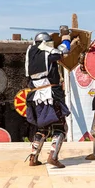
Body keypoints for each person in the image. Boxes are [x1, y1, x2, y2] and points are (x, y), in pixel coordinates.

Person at [25, 31, 71, 168]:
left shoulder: (30, 53)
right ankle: (53, 157)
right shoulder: (48, 53)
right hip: (50, 95)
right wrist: (66, 39)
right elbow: (63, 51)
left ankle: (33, 158)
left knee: (42, 128)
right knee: (60, 127)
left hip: (35, 96)